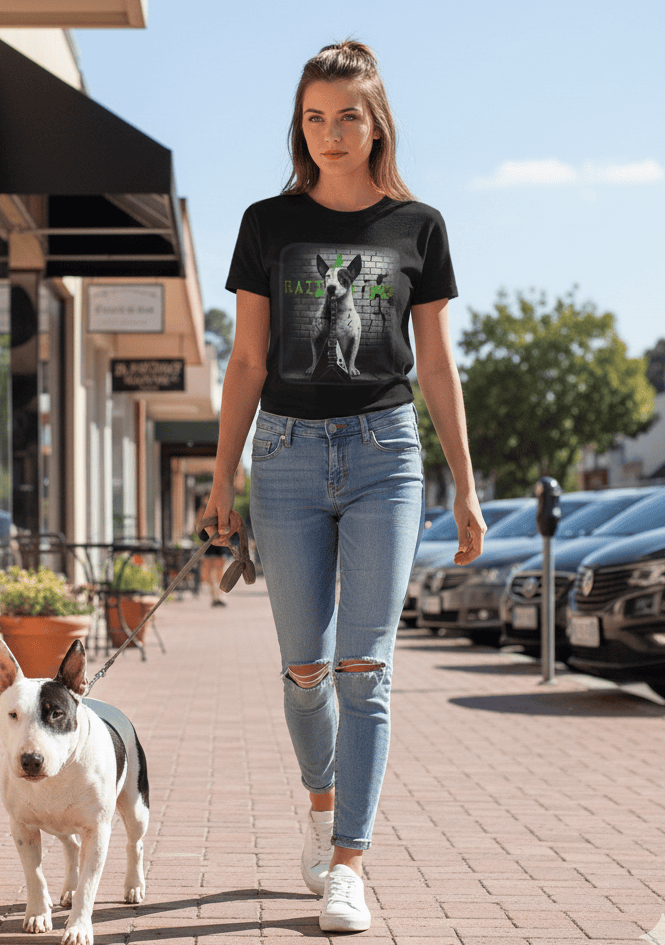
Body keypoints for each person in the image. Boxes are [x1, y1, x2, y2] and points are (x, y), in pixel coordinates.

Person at [202, 40, 487, 933]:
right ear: (301, 124)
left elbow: (437, 366)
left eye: (347, 116)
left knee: (366, 671)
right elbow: (246, 358)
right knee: (304, 669)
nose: (330, 133)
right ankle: (322, 806)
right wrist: (219, 480)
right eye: (314, 117)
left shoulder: (419, 227)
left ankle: (348, 864)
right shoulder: (265, 223)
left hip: (384, 454)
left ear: (376, 123)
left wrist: (466, 488)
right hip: (283, 457)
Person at [197, 500, 231, 606]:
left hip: (216, 549)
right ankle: (216, 596)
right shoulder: (213, 517)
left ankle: (218, 596)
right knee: (213, 575)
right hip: (213, 548)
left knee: (216, 574)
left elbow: (201, 535)